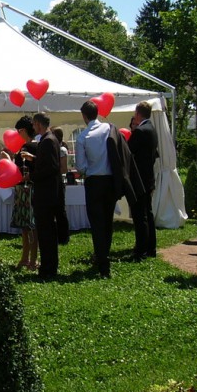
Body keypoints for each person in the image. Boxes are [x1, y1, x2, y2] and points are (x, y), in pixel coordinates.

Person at [75, 100, 116, 278]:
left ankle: (102, 260)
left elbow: (80, 166)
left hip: (94, 181)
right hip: (110, 180)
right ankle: (104, 255)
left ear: (84, 116)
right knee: (108, 220)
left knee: (97, 223)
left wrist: (87, 168)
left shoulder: (82, 137)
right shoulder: (108, 128)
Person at [25, 113, 63, 279]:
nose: (33, 128)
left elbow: (51, 168)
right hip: (48, 192)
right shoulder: (50, 139)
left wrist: (31, 176)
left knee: (46, 232)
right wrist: (34, 158)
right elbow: (47, 162)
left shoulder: (47, 140)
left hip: (46, 193)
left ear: (38, 124)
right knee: (47, 231)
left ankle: (48, 268)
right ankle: (48, 265)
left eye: (34, 124)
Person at [128, 101, 159, 260]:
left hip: (139, 179)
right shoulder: (152, 129)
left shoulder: (140, 131)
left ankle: (140, 250)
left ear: (138, 114)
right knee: (148, 213)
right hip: (148, 178)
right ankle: (151, 247)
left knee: (140, 215)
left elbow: (129, 150)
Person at [10, 116, 38, 270]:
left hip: (29, 189)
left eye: (19, 131)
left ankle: (32, 259)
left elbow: (36, 169)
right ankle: (25, 257)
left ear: (24, 130)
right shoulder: (24, 147)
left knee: (31, 226)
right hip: (22, 188)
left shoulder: (33, 147)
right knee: (25, 227)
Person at [50, 126, 71, 245]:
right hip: (54, 182)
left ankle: (64, 236)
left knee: (60, 210)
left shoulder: (61, 149)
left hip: (59, 182)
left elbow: (64, 169)